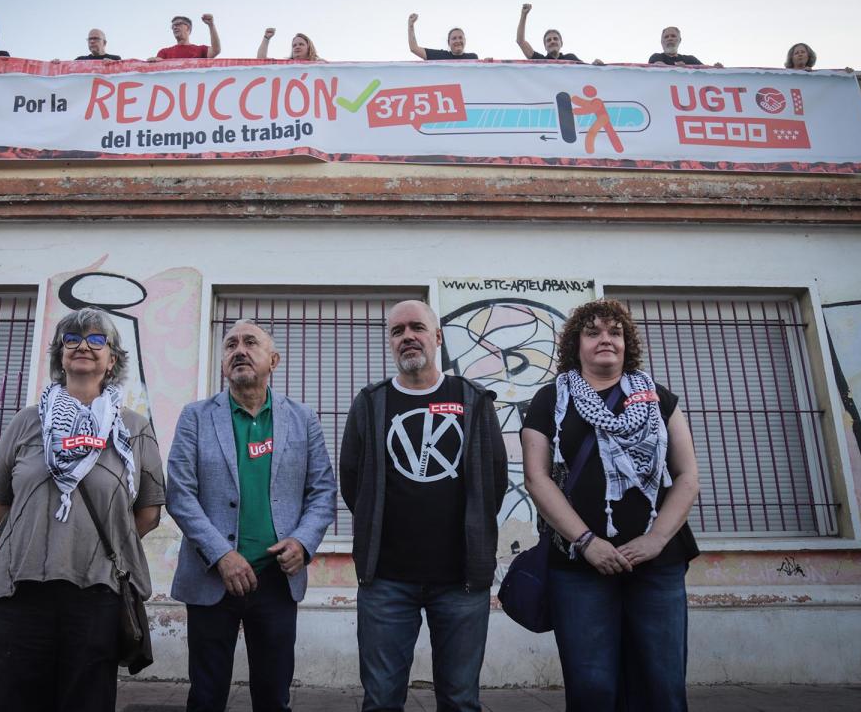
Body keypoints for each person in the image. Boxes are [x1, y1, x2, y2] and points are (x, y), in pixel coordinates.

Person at [0, 308, 165, 712]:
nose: (83, 347)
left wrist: (88, 541)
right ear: (60, 355)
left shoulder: (133, 428)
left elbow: (147, 514)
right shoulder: (26, 423)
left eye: (97, 341)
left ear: (112, 360)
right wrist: (42, 535)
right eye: (71, 339)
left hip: (96, 592)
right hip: (18, 589)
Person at [520, 298, 700, 712]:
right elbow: (537, 478)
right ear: (576, 345)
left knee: (663, 687)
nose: (606, 339)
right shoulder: (549, 400)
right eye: (594, 332)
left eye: (615, 332)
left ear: (627, 343)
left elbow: (687, 477)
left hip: (657, 564)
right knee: (592, 689)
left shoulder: (660, 399)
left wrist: (655, 540)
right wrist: (586, 541)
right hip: (578, 565)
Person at [340, 300, 507, 712]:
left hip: (461, 580)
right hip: (386, 582)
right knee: (380, 699)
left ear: (437, 336)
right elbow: (351, 482)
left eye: (417, 327)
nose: (407, 337)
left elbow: (494, 481)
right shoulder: (370, 403)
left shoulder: (473, 400)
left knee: (460, 699)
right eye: (397, 331)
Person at [166, 319, 336, 712]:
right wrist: (221, 555)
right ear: (224, 364)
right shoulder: (195, 416)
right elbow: (180, 493)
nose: (238, 350)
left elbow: (322, 491)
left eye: (250, 342)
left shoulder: (303, 418)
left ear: (273, 359)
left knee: (273, 696)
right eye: (230, 345)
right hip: (212, 578)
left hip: (277, 578)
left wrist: (303, 542)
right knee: (206, 696)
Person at [515, 4, 583, 63]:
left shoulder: (571, 58)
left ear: (561, 43)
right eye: (549, 40)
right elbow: (520, 41)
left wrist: (593, 65)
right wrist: (524, 15)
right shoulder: (540, 61)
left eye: (555, 39)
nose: (552, 41)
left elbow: (586, 70)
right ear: (545, 46)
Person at [149, 14, 221, 61]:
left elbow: (216, 50)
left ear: (188, 28)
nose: (175, 27)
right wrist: (154, 61)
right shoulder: (164, 52)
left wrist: (211, 25)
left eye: (178, 24)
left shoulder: (200, 50)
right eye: (173, 26)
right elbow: (158, 64)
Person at [408, 13, 478, 60]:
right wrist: (411, 25)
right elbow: (414, 48)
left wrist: (488, 63)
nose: (458, 41)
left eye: (460, 38)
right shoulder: (440, 56)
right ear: (448, 42)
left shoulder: (473, 58)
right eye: (454, 38)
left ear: (465, 40)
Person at [648, 26, 720, 68]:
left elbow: (706, 73)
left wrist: (715, 69)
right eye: (666, 37)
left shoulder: (691, 59)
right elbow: (659, 68)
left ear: (679, 40)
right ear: (662, 42)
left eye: (673, 36)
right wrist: (678, 69)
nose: (669, 38)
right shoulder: (656, 57)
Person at [257, 28, 321, 61]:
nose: (297, 47)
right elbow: (261, 60)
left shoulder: (320, 65)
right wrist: (266, 38)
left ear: (309, 47)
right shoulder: (286, 66)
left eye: (301, 44)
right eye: (294, 45)